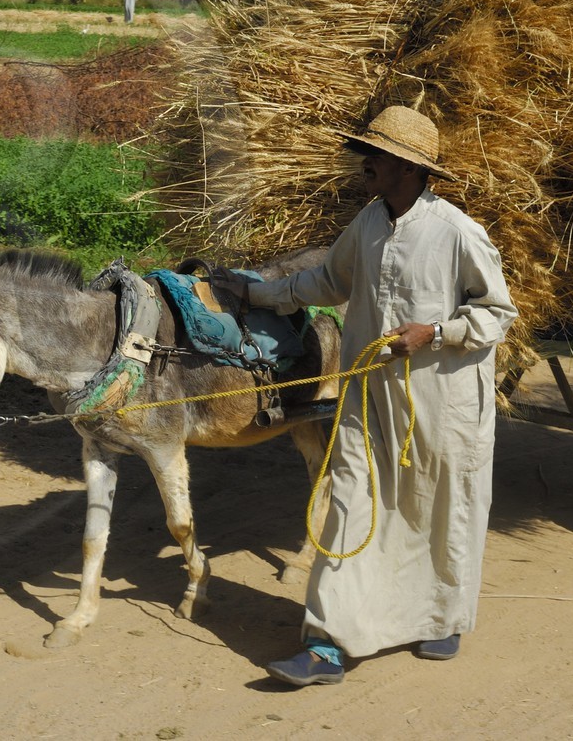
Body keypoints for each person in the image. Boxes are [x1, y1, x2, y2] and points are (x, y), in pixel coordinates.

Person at [215, 103, 516, 687]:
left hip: (442, 403)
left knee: (439, 507)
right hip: (368, 394)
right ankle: (326, 643)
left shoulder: (456, 232)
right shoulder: (369, 222)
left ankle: (441, 617)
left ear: (407, 167)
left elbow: (498, 312)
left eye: (374, 157)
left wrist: (438, 331)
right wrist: (259, 294)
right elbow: (328, 281)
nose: (364, 166)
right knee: (352, 503)